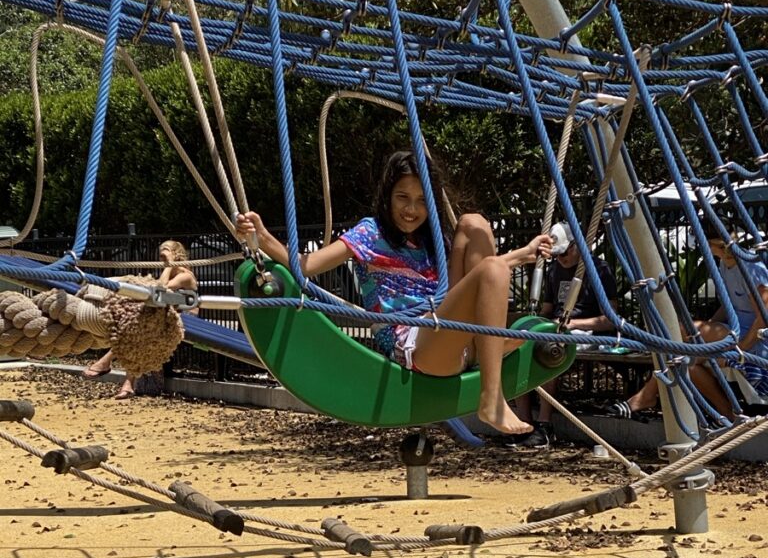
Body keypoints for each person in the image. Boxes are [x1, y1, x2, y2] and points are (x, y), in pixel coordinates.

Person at [235, 150, 554, 435]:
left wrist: (522, 253)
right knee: (494, 269)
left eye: (420, 200)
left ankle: (483, 349)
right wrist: (262, 238)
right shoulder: (370, 233)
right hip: (416, 342)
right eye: (403, 197)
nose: (411, 210)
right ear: (387, 196)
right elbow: (307, 265)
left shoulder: (431, 241)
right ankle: (491, 396)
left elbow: (481, 276)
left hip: (450, 329)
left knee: (473, 222)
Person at [608, 222, 768, 419]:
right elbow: (728, 306)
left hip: (755, 339)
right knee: (686, 362)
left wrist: (740, 349)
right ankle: (729, 415)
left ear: (709, 244)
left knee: (680, 330)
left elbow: (765, 315)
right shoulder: (724, 264)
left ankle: (646, 396)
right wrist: (709, 325)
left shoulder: (749, 266)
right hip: (735, 332)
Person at [512, 220, 619, 449]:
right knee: (520, 345)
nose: (562, 259)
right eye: (557, 255)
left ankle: (545, 425)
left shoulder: (598, 270)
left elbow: (610, 319)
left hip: (583, 332)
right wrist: (536, 322)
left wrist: (571, 323)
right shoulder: (553, 270)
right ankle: (523, 422)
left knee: (549, 351)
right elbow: (547, 310)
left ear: (577, 245)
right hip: (556, 329)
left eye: (565, 253)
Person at [84, 239, 198, 399]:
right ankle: (127, 382)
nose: (162, 253)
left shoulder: (184, 275)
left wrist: (168, 264)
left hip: (188, 319)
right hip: (169, 317)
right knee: (137, 328)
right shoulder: (171, 272)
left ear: (175, 253)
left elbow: (160, 289)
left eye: (166, 249)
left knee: (141, 329)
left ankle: (108, 363)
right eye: (161, 250)